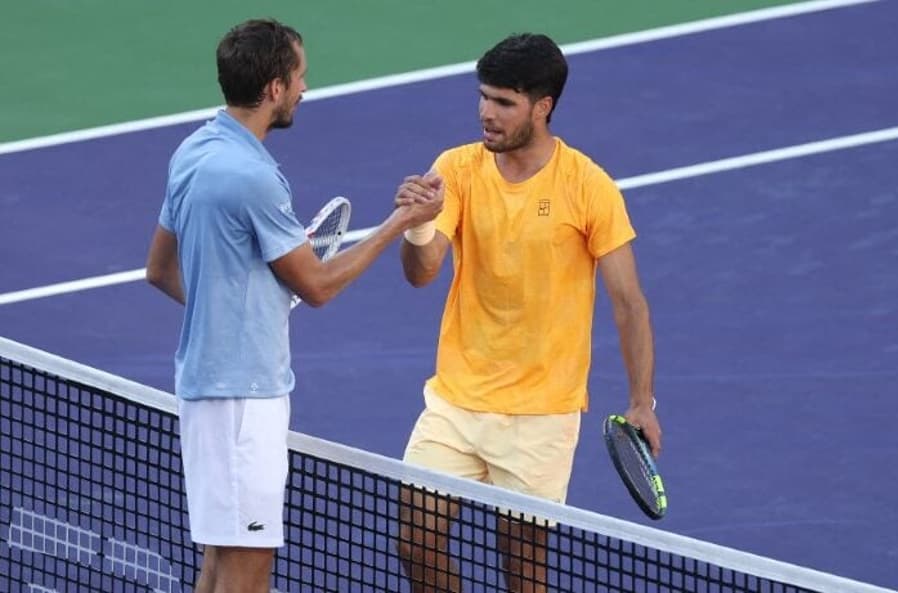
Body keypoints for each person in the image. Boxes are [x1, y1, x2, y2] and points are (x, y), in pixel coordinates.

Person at [145, 19, 442, 593]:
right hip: (244, 401)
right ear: (275, 88)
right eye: (300, 76)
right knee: (249, 569)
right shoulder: (257, 178)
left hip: (206, 390)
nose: (306, 87)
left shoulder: (193, 151)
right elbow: (319, 285)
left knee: (218, 560)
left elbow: (160, 270)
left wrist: (233, 310)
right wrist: (400, 222)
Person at [396, 33, 661, 593]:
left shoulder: (589, 187)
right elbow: (421, 273)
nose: (485, 114)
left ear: (542, 108)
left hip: (542, 414)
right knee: (415, 540)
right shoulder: (458, 168)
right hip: (456, 400)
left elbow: (629, 302)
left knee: (524, 568)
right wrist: (418, 223)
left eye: (503, 103)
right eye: (483, 97)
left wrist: (642, 402)